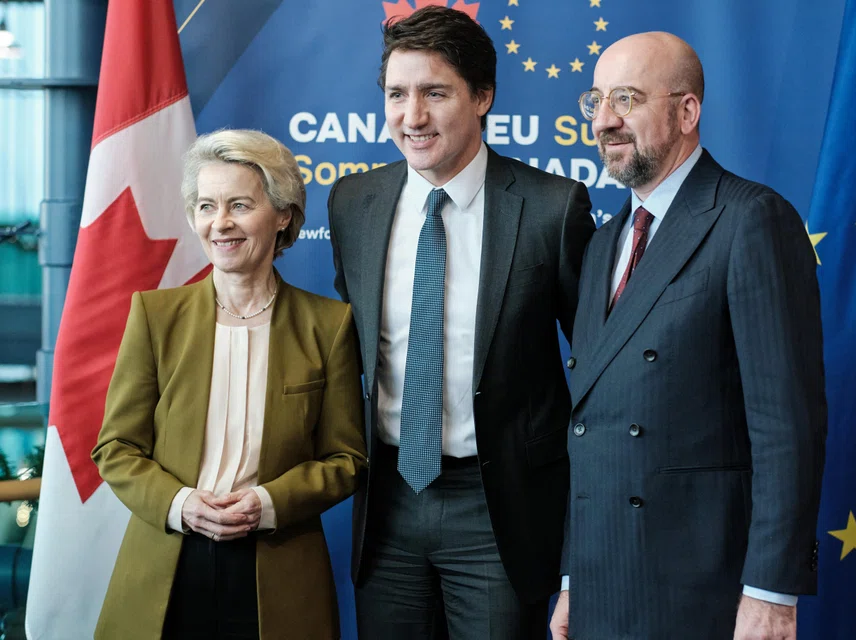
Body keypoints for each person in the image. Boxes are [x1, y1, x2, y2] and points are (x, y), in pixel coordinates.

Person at [327, 6, 595, 638]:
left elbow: (599, 373)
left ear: (483, 97)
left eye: (435, 93)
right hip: (387, 505)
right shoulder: (353, 203)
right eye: (397, 94)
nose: (411, 117)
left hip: (500, 511)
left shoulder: (553, 210)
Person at [550, 32, 828, 640]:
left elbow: (787, 426)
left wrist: (771, 591)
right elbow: (591, 428)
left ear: (686, 111)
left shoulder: (751, 218)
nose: (603, 121)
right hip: (604, 584)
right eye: (594, 101)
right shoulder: (603, 244)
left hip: (705, 590)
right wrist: (574, 578)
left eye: (625, 99)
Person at [91, 129, 366, 640]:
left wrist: (265, 504)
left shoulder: (328, 325)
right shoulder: (155, 316)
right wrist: (181, 504)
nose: (220, 223)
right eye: (206, 206)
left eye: (240, 204)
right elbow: (116, 447)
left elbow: (345, 460)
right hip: (168, 561)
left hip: (279, 568)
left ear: (283, 214)